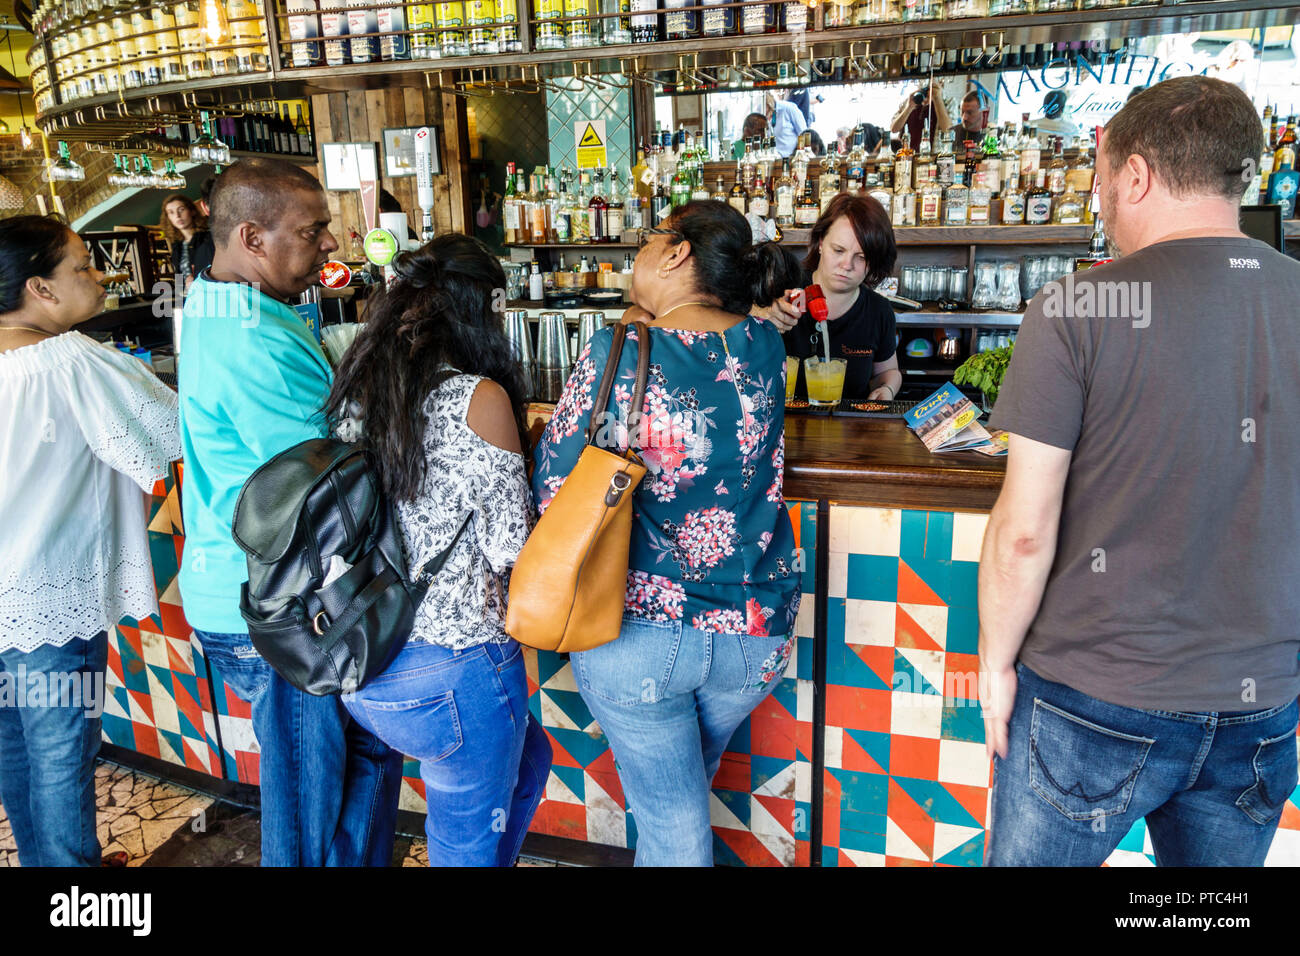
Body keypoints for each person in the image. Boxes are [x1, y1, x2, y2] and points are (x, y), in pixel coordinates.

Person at [980, 76, 1300, 867]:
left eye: (1101, 185)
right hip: (1261, 705)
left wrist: (992, 665)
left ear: (1135, 175)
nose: (1102, 206)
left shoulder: (1078, 308)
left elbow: (1024, 534)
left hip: (1092, 701)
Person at [531, 202, 802, 866]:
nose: (640, 253)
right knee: (679, 802)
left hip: (639, 637)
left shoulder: (616, 351)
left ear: (678, 253)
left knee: (672, 825)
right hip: (753, 636)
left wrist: (629, 331)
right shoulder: (764, 345)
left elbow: (556, 486)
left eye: (650, 240)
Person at [177, 159, 404, 867]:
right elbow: (340, 475)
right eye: (312, 233)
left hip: (250, 590)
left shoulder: (217, 303)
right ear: (251, 237)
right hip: (277, 607)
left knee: (358, 762)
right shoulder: (254, 339)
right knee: (311, 807)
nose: (331, 245)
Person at [323, 235, 553, 866]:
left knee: (531, 760)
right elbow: (513, 549)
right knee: (463, 844)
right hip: (454, 671)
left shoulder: (359, 384)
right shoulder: (479, 396)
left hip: (365, 659)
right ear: (483, 309)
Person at [0, 216, 181, 867]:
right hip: (49, 601)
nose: (100, 276)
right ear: (40, 288)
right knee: (60, 760)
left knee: (15, 754)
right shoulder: (72, 361)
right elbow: (173, 433)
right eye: (83, 266)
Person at [757, 193, 902, 403]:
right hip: (781, 425)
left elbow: (887, 372)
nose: (846, 265)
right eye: (838, 250)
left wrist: (887, 389)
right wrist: (760, 318)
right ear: (821, 243)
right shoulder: (782, 292)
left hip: (849, 430)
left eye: (861, 257)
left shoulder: (878, 310)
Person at [160, 194, 214, 282]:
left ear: (192, 211)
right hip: (187, 294)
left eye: (181, 210)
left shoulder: (208, 239)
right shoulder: (176, 246)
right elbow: (178, 281)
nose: (177, 216)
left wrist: (196, 281)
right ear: (168, 218)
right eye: (171, 212)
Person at [891, 80, 952, 153]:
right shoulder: (909, 101)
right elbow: (894, 129)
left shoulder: (948, 103)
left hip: (934, 157)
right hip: (908, 157)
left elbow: (947, 130)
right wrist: (909, 107)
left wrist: (937, 99)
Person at [766, 92, 808, 157]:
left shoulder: (788, 108)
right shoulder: (759, 111)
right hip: (772, 159)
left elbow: (803, 133)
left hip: (791, 158)